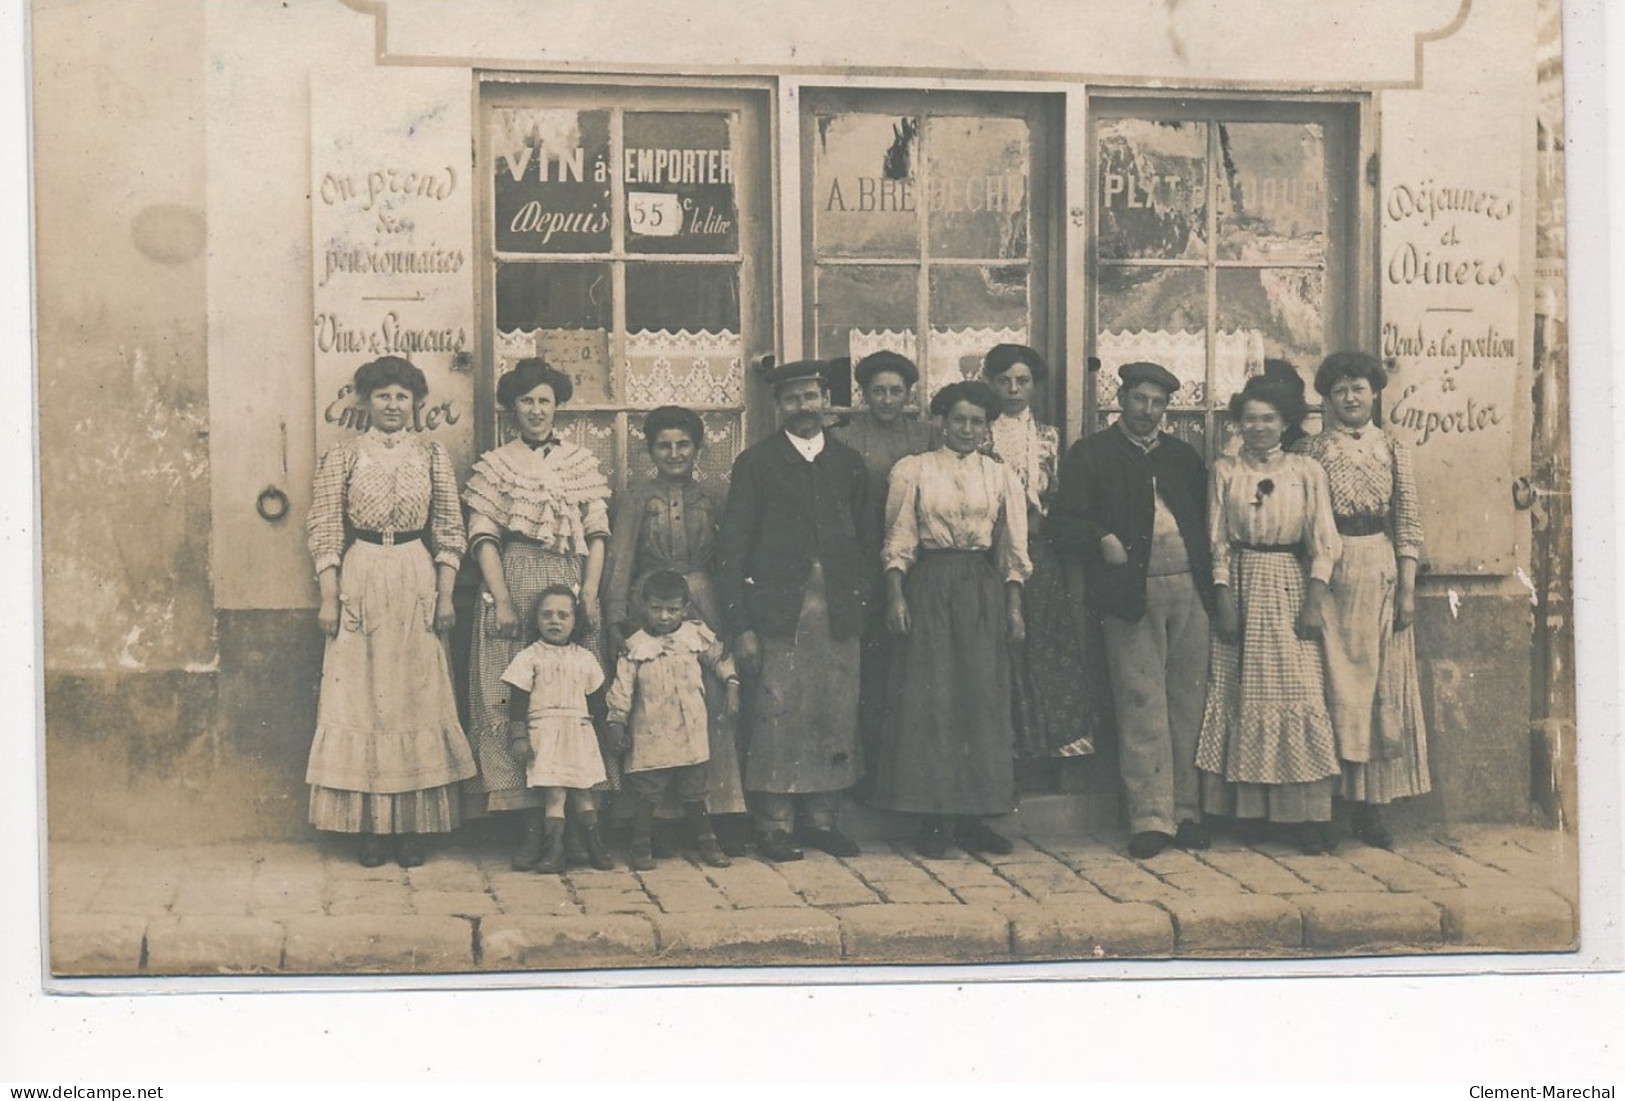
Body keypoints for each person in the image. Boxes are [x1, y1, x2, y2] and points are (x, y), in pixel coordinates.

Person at [305, 356, 476, 868]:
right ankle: (371, 829)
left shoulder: (431, 456)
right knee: (363, 697)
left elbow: (449, 530)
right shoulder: (344, 457)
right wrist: (329, 596)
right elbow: (326, 527)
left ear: (415, 403)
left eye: (402, 397)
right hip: (361, 572)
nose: (393, 406)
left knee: (413, 695)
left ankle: (412, 828)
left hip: (415, 573)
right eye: (383, 396)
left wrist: (445, 595)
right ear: (366, 402)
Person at [1051, 361, 1214, 860]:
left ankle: (1186, 812)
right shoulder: (1092, 454)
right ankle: (1151, 818)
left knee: (1188, 705)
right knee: (1142, 704)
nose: (1147, 411)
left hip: (1188, 591)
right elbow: (1063, 521)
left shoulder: (1182, 457)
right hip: (1129, 595)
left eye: (1157, 403)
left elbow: (1204, 518)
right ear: (1120, 399)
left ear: (1167, 408)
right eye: (1139, 399)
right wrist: (1103, 538)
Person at [718, 358, 877, 862]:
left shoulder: (848, 463)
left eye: (811, 397)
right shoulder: (757, 463)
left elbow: (868, 542)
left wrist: (859, 600)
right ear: (777, 406)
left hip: (836, 613)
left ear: (825, 400)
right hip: (778, 616)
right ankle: (775, 823)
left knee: (833, 712)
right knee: (776, 714)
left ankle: (821, 819)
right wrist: (740, 623)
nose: (803, 408)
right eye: (792, 399)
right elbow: (732, 551)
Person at [463, 357, 613, 869]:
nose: (536, 410)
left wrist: (589, 593)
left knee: (571, 698)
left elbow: (596, 534)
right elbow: (483, 536)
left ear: (557, 406)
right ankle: (529, 822)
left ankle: (573, 824)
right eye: (526, 401)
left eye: (545, 400)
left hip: (567, 583)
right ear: (512, 408)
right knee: (512, 696)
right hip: (516, 572)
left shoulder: (579, 462)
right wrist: (501, 599)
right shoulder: (497, 464)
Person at [873, 380, 1031, 858]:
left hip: (981, 588)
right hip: (930, 586)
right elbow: (898, 539)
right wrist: (896, 597)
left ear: (988, 428)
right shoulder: (914, 471)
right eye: (958, 420)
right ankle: (933, 820)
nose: (966, 429)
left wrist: (1014, 606)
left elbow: (1012, 548)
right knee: (933, 698)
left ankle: (974, 817)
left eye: (976, 422)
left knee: (980, 697)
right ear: (942, 422)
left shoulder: (1000, 476)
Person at [1195, 374, 1344, 854]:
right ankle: (1249, 813)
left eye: (1269, 419)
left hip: (1288, 580)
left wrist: (1314, 598)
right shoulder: (1224, 470)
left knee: (1297, 685)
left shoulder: (1306, 471)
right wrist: (1222, 598)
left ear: (1285, 423)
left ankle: (1305, 815)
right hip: (1240, 579)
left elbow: (1323, 539)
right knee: (1239, 690)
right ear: (1238, 423)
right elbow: (1216, 538)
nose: (1258, 428)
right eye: (1250, 419)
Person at [1293, 352, 1431, 848]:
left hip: (1380, 567)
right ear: (1327, 399)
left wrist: (1408, 590)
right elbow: (1305, 520)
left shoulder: (1395, 449)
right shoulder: (1309, 450)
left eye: (1359, 389)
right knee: (1333, 687)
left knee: (1379, 686)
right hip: (1328, 569)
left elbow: (1409, 523)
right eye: (1340, 391)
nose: (1350, 398)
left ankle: (1373, 809)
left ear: (1374, 394)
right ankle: (1328, 808)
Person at [603, 405, 747, 854]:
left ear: (697, 449)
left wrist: (732, 617)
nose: (674, 453)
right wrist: (615, 618)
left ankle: (713, 813)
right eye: (664, 445)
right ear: (650, 451)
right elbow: (621, 559)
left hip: (702, 603)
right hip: (652, 602)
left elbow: (729, 561)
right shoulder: (638, 499)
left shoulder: (710, 499)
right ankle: (651, 820)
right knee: (653, 709)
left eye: (683, 444)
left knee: (708, 706)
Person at [830, 350, 938, 790]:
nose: (887, 400)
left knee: (917, 671)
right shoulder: (846, 439)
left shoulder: (927, 437)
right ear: (864, 395)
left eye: (896, 391)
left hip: (919, 566)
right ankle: (870, 771)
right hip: (864, 564)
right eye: (878, 391)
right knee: (870, 670)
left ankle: (913, 774)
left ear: (909, 395)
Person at [981, 343, 1095, 760]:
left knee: (1043, 641)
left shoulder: (1048, 437)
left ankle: (1048, 749)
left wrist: (1037, 522)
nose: (1013, 389)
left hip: (1038, 551)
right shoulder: (979, 432)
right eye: (1004, 381)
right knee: (997, 644)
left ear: (1034, 386)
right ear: (990, 383)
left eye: (1022, 381)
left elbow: (1058, 495)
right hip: (989, 554)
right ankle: (1001, 750)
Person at [605, 570, 741, 871]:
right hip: (651, 730)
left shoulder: (695, 634)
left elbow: (719, 657)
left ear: (686, 607)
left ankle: (707, 842)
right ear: (643, 606)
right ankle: (640, 845)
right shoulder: (635, 646)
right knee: (648, 793)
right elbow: (622, 688)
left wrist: (732, 685)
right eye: (656, 609)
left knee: (694, 791)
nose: (664, 617)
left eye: (672, 609)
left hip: (689, 730)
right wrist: (617, 722)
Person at [501, 587, 612, 874]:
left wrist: (609, 733)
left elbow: (598, 703)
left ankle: (595, 845)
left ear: (576, 620)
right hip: (546, 733)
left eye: (563, 615)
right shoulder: (529, 657)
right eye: (546, 614)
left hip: (579, 730)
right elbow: (517, 703)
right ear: (536, 619)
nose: (555, 621)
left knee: (584, 792)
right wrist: (518, 736)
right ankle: (555, 849)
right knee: (555, 794)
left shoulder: (585, 658)